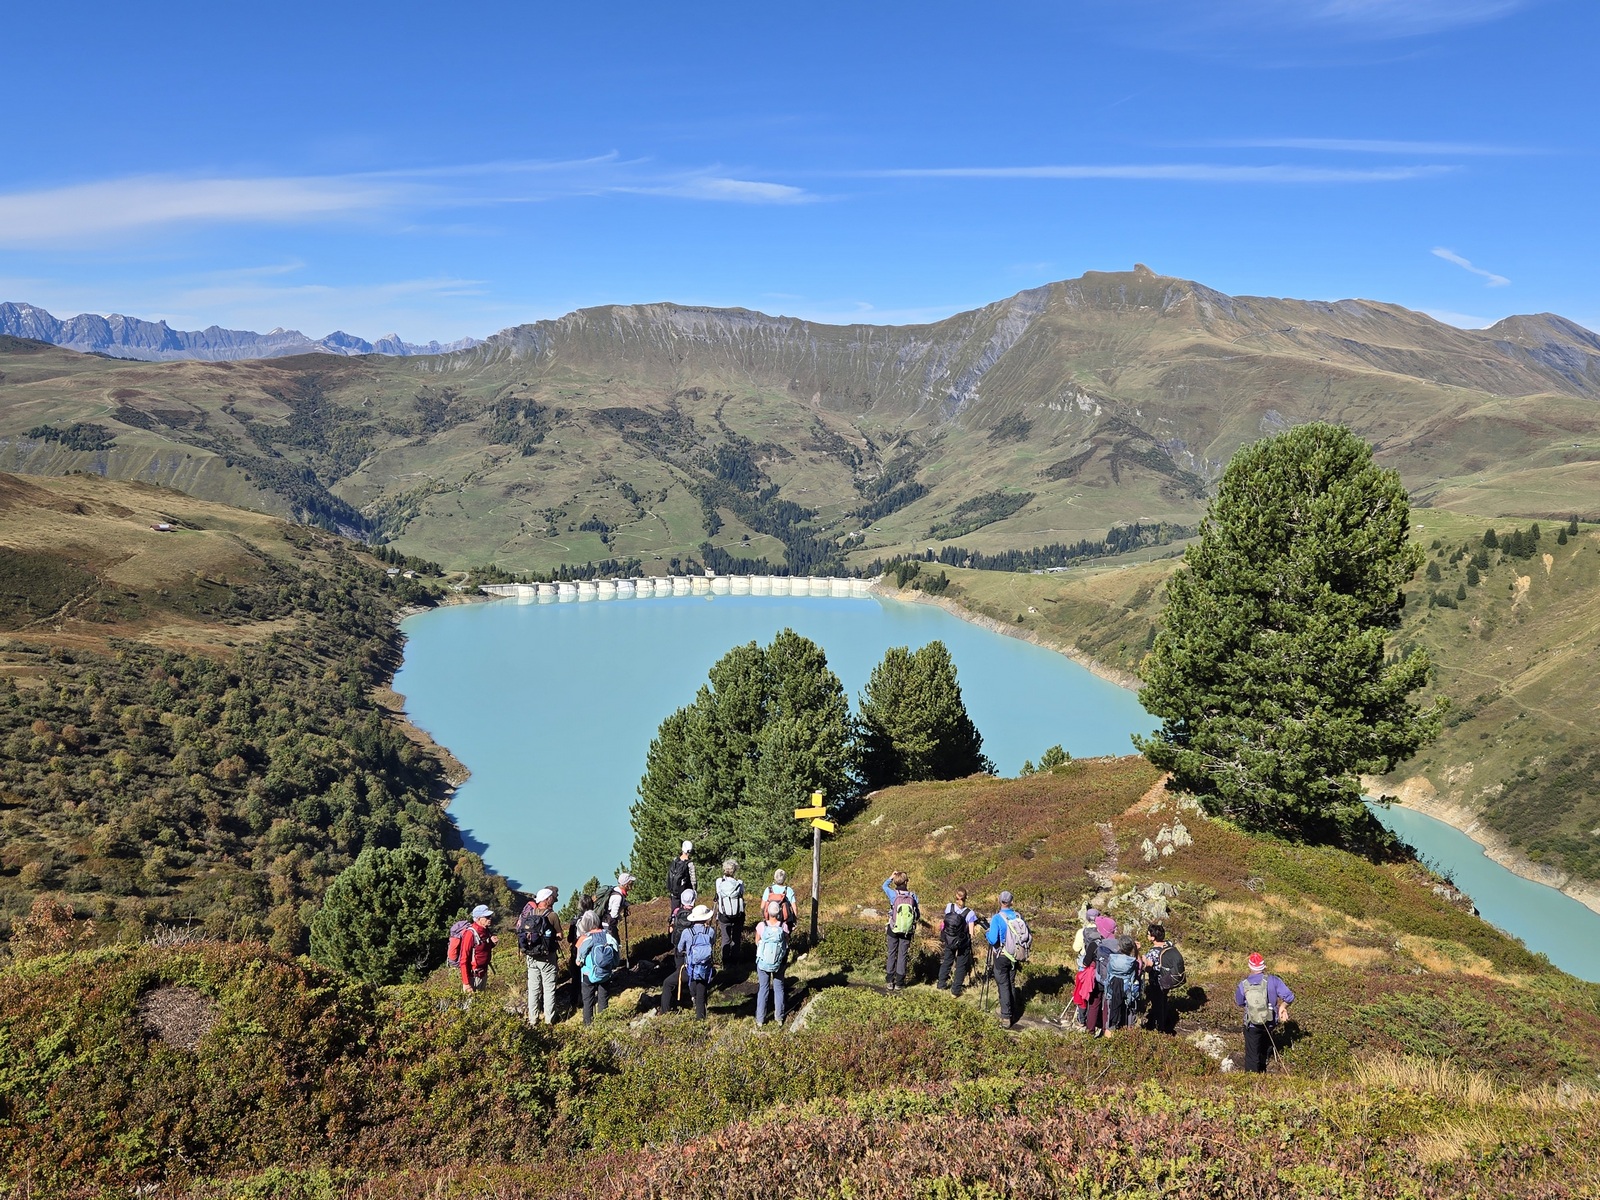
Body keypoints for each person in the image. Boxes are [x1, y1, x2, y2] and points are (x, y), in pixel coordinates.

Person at [1234, 952, 1294, 1072]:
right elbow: (1289, 997)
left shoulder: (1243, 985)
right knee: (1265, 1048)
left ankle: (1252, 1079)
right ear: (1263, 966)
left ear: (1249, 966)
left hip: (1251, 1024)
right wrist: (1282, 1007)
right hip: (1269, 1022)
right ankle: (1263, 1073)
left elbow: (1239, 1003)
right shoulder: (1274, 981)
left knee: (1252, 1055)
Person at [516, 886, 563, 1026]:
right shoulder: (552, 915)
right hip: (547, 957)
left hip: (531, 956)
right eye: (551, 898)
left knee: (533, 989)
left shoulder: (530, 913)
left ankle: (533, 1019)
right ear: (547, 900)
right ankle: (549, 1020)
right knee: (549, 988)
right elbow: (560, 935)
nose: (553, 900)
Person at [985, 890, 1030, 1028]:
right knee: (1011, 983)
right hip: (1015, 955)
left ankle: (1006, 1017)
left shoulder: (997, 918)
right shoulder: (1018, 916)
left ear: (999, 901)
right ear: (1011, 902)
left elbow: (993, 940)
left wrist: (987, 934)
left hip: (1001, 956)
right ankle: (1013, 1012)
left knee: (1003, 984)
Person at [575, 910, 621, 1026]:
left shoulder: (585, 939)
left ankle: (588, 1025)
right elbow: (616, 953)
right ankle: (603, 1024)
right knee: (603, 998)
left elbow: (578, 960)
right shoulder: (608, 936)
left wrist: (579, 962)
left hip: (588, 974)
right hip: (605, 972)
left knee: (588, 1000)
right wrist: (613, 965)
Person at [659, 887, 698, 1014]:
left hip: (679, 950)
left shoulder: (676, 912)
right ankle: (693, 997)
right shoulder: (696, 913)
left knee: (678, 973)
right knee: (692, 974)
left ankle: (676, 998)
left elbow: (671, 930)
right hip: (693, 951)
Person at [677, 904, 717, 1020]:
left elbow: (680, 948)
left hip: (691, 966)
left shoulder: (687, 932)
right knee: (702, 988)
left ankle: (694, 1000)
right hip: (705, 966)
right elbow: (712, 943)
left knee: (692, 984)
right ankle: (701, 1016)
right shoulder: (710, 931)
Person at [882, 871, 921, 991]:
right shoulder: (913, 896)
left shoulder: (893, 894)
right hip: (907, 930)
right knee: (902, 955)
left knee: (891, 953)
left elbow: (884, 886)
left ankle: (890, 981)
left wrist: (891, 877)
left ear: (895, 882)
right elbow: (917, 914)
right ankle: (899, 983)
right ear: (906, 881)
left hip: (893, 928)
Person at [936, 887, 978, 997]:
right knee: (960, 965)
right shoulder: (970, 913)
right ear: (966, 897)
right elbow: (971, 932)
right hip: (962, 943)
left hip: (949, 939)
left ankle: (941, 985)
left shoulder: (949, 907)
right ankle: (955, 991)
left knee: (947, 961)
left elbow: (945, 921)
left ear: (956, 896)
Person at [1142, 923, 1183, 1035]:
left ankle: (1160, 1027)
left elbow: (1148, 969)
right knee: (1164, 999)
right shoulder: (1169, 944)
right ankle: (1165, 1021)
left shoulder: (1153, 952)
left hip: (1157, 981)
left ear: (1153, 937)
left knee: (1157, 1003)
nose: (1147, 935)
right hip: (1168, 978)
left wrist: (1144, 960)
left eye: (1148, 934)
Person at [754, 899, 789, 1027]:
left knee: (763, 988)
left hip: (763, 963)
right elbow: (787, 942)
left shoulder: (761, 925)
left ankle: (760, 1019)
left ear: (767, 912)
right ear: (779, 912)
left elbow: (757, 941)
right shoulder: (783, 926)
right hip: (778, 962)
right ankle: (779, 1017)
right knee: (779, 988)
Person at [1100, 935, 1141, 1035]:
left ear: (1119, 946)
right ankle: (1127, 1038)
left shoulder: (1112, 959)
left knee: (1111, 1017)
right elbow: (1139, 970)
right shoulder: (1133, 962)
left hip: (1112, 991)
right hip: (1127, 992)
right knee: (1128, 1018)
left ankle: (1109, 1037)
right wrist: (1137, 951)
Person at [458, 904, 496, 995]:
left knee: (481, 1002)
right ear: (478, 919)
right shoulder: (470, 934)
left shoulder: (485, 930)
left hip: (483, 974)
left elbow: (481, 950)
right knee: (472, 1003)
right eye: (487, 917)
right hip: (473, 977)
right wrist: (466, 983)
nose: (490, 919)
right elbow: (463, 959)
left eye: (490, 916)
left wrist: (492, 944)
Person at [714, 860, 746, 961]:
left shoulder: (719, 882)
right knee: (736, 938)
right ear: (734, 871)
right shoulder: (739, 883)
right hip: (738, 915)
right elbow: (742, 895)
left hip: (723, 915)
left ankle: (725, 961)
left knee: (725, 938)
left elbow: (718, 895)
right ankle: (735, 961)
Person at [566, 892, 596, 993]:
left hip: (577, 948)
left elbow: (570, 939)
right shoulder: (595, 918)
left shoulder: (575, 920)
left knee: (576, 976)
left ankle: (575, 999)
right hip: (592, 948)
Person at [762, 869, 798, 934]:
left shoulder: (768, 889)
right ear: (784, 879)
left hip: (770, 920)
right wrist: (794, 921)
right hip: (786, 921)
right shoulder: (789, 890)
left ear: (775, 878)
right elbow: (794, 908)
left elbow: (762, 906)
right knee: (786, 937)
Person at [603, 872, 633, 937]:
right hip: (608, 926)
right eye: (631, 883)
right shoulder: (618, 897)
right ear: (626, 885)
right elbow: (614, 915)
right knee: (615, 942)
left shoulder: (616, 891)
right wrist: (620, 918)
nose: (632, 884)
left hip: (606, 924)